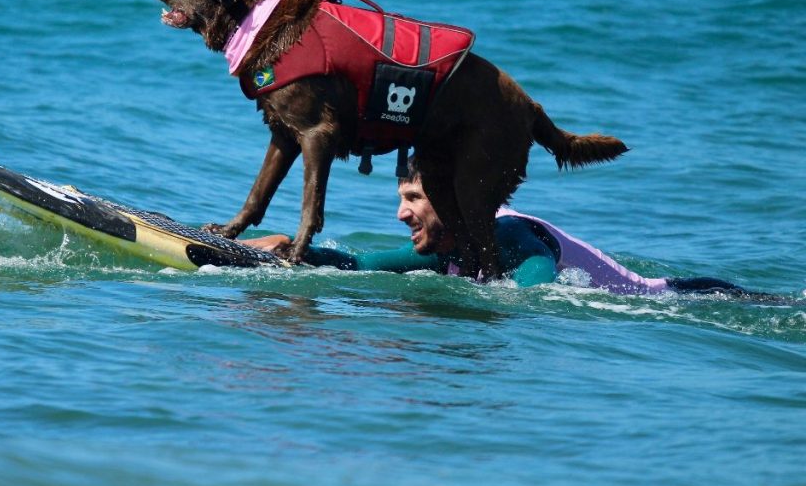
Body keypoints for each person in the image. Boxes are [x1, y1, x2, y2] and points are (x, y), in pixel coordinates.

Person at [243, 158, 766, 298]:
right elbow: (358, 265)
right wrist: (292, 251)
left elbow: (537, 292)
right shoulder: (445, 244)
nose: (401, 214)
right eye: (401, 199)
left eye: (413, 198)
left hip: (685, 298)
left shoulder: (509, 234)